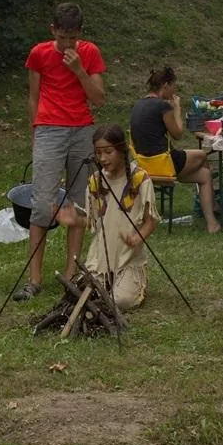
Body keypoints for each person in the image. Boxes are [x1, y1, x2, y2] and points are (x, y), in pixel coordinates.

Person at [14, 2, 106, 301]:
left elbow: (100, 99)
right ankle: (34, 278)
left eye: (72, 38)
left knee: (79, 205)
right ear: (53, 30)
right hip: (49, 129)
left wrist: (79, 69)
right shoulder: (39, 53)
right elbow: (33, 96)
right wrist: (36, 130)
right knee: (42, 204)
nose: (67, 43)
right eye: (62, 37)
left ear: (80, 33)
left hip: (81, 130)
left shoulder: (89, 53)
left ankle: (71, 274)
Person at [57, 125, 159, 310]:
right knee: (78, 294)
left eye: (108, 152)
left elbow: (150, 221)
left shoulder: (139, 179)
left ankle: (130, 285)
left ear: (121, 150)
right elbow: (94, 221)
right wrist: (76, 220)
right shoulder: (96, 181)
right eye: (98, 153)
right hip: (99, 259)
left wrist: (136, 238)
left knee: (121, 301)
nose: (102, 158)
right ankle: (104, 281)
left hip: (128, 259)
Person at [129, 66, 221, 234]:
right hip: (163, 164)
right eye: (173, 86)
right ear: (165, 86)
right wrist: (177, 107)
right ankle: (212, 205)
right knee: (201, 155)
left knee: (205, 175)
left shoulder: (138, 105)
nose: (174, 90)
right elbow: (177, 133)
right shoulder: (163, 106)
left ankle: (212, 222)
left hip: (144, 165)